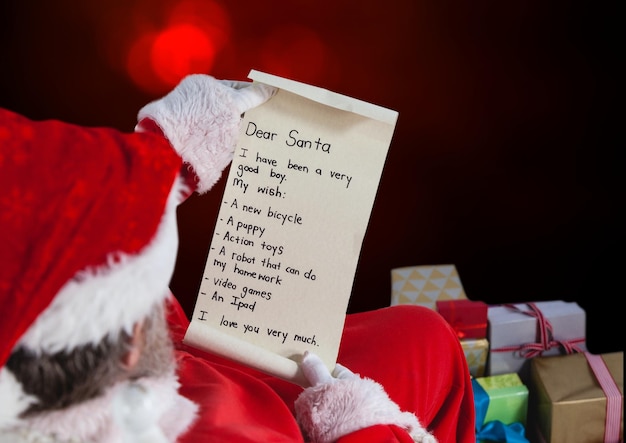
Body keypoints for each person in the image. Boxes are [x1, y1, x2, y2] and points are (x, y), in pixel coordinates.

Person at [0, 74, 475, 442]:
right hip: (187, 404)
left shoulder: (50, 315)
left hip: (170, 361)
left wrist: (162, 156)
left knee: (424, 335)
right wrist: (362, 427)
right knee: (432, 357)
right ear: (128, 339)